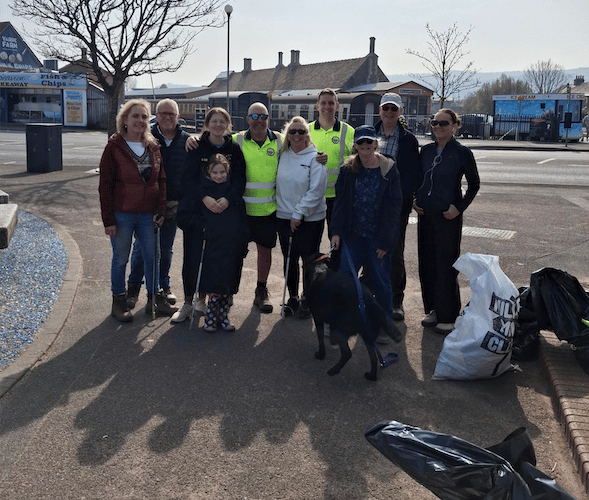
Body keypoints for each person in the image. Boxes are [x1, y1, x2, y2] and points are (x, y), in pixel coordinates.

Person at [98, 98, 178, 322]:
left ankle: (154, 300)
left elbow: (161, 181)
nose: (140, 121)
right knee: (121, 259)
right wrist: (108, 220)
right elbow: (104, 186)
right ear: (124, 120)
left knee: (154, 257)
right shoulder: (113, 148)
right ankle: (119, 301)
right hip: (122, 215)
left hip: (148, 215)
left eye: (144, 116)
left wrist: (160, 210)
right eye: (135, 116)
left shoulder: (153, 147)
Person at [173, 107, 247, 323]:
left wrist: (228, 199)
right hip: (199, 212)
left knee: (219, 259)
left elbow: (240, 179)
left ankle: (212, 302)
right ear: (207, 124)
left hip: (225, 214)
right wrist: (204, 197)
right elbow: (187, 180)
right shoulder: (195, 146)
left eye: (222, 122)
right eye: (213, 121)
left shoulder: (234, 149)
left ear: (228, 125)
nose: (218, 125)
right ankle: (189, 302)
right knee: (194, 257)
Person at [329, 125, 402, 341]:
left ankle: (383, 326)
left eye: (369, 142)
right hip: (353, 236)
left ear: (376, 143)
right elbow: (340, 203)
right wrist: (336, 231)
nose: (365, 146)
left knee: (380, 281)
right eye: (360, 143)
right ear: (355, 146)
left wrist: (385, 242)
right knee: (345, 278)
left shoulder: (389, 170)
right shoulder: (347, 170)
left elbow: (393, 209)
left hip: (377, 238)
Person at [413, 108, 480, 335]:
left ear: (455, 125)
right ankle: (434, 308)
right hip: (426, 214)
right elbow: (417, 178)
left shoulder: (462, 152)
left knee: (446, 264)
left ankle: (448, 313)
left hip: (447, 216)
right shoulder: (427, 150)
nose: (439, 127)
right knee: (427, 262)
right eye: (435, 123)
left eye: (444, 123)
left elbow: (474, 184)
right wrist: (415, 199)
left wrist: (458, 208)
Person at [126, 99, 195, 309]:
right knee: (142, 248)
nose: (167, 117)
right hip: (147, 204)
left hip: (173, 204)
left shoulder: (187, 141)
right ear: (156, 114)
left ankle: (163, 286)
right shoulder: (146, 137)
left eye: (171, 114)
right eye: (162, 113)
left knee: (166, 248)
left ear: (178, 117)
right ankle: (134, 288)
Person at [374, 93, 420, 321]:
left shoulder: (408, 140)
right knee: (373, 250)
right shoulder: (369, 134)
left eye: (394, 109)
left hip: (396, 206)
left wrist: (406, 198)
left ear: (400, 112)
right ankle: (375, 294)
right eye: (386, 109)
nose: (389, 113)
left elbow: (413, 173)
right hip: (371, 205)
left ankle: (395, 299)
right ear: (380, 111)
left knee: (394, 252)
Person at [276, 116, 327, 319]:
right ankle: (293, 297)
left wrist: (298, 214)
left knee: (309, 261)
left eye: (301, 132)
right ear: (287, 135)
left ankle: (308, 298)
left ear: (308, 135)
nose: (297, 135)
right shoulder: (282, 155)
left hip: (310, 219)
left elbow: (316, 191)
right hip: (283, 217)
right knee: (289, 260)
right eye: (293, 131)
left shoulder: (316, 158)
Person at [199, 154, 248, 332]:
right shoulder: (204, 191)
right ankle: (210, 316)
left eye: (222, 172)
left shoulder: (233, 194)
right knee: (215, 282)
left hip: (231, 243)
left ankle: (223, 315)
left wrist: (242, 242)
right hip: (212, 243)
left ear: (227, 173)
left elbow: (242, 220)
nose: (219, 176)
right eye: (215, 172)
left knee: (228, 281)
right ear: (209, 173)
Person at [309, 88, 354, 268]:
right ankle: (312, 287)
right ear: (317, 106)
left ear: (337, 106)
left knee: (337, 244)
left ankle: (336, 285)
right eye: (323, 103)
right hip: (314, 196)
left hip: (339, 198)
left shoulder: (348, 132)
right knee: (311, 244)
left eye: (331, 103)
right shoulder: (307, 130)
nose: (327, 106)